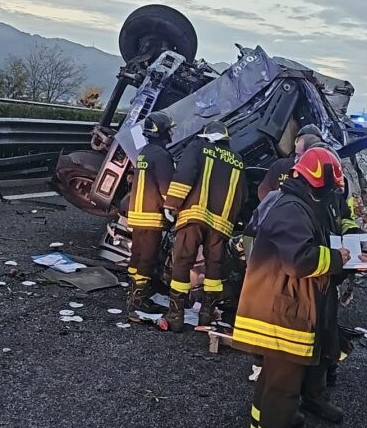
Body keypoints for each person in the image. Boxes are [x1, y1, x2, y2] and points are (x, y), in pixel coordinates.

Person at [232, 147, 366, 428]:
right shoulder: (292, 209)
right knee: (283, 391)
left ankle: (260, 424)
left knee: (272, 382)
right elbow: (300, 260)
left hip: (284, 307)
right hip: (283, 314)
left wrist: (349, 256)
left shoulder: (305, 202)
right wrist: (338, 258)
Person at [158, 120, 247, 332]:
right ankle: (206, 314)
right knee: (214, 267)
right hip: (222, 224)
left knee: (182, 261)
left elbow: (185, 174)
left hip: (194, 216)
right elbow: (243, 195)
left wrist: (172, 204)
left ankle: (176, 315)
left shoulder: (198, 147)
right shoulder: (238, 159)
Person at [125, 111, 176, 321]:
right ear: (162, 131)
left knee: (137, 255)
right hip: (151, 215)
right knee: (147, 258)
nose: (172, 132)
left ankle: (133, 293)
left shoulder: (145, 152)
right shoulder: (162, 156)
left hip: (137, 212)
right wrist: (174, 209)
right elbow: (166, 188)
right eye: (169, 129)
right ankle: (138, 301)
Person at [257, 124, 323, 200]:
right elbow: (263, 191)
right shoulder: (280, 166)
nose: (301, 160)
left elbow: (262, 191)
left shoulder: (279, 165)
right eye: (299, 155)